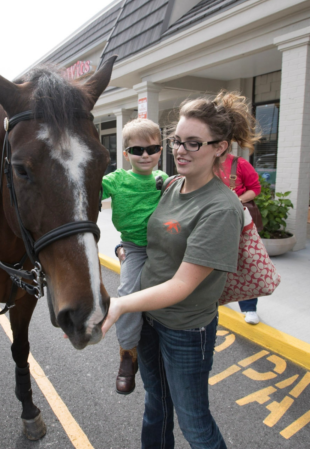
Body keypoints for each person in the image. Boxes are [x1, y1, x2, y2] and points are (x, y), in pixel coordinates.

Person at [102, 91, 259, 449]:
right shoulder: (170, 185)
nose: (180, 151)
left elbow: (183, 285)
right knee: (155, 408)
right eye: (177, 141)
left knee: (194, 425)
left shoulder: (221, 209)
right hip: (149, 321)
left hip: (185, 330)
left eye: (193, 143)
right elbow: (151, 239)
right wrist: (124, 249)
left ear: (220, 147)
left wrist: (122, 304)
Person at [102, 118, 168, 395]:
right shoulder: (114, 180)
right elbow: (83, 193)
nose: (145, 155)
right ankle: (128, 354)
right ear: (126, 153)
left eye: (151, 149)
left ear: (160, 151)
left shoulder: (164, 180)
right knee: (128, 292)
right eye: (137, 150)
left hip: (166, 245)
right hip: (134, 247)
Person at [217, 151, 261, 324]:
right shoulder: (205, 161)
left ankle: (249, 308)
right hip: (213, 218)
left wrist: (238, 199)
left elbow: (255, 189)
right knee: (212, 261)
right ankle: (216, 298)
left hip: (237, 218)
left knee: (244, 261)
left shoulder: (240, 163)